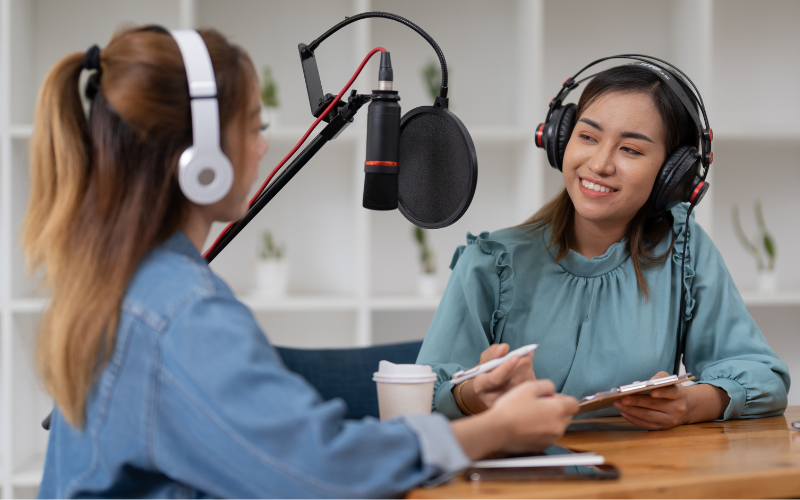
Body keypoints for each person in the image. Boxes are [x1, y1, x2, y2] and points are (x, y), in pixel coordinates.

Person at [24, 26, 579, 498]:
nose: (262, 147)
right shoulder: (178, 314)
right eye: (253, 127)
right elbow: (319, 469)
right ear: (201, 161)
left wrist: (461, 397)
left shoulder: (129, 280)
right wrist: (494, 432)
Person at [417, 62, 790, 430]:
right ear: (559, 140)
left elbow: (764, 377)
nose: (599, 164)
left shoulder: (683, 250)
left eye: (630, 150)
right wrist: (472, 396)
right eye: (588, 137)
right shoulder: (491, 262)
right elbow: (421, 396)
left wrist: (692, 403)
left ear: (671, 176)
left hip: (640, 479)